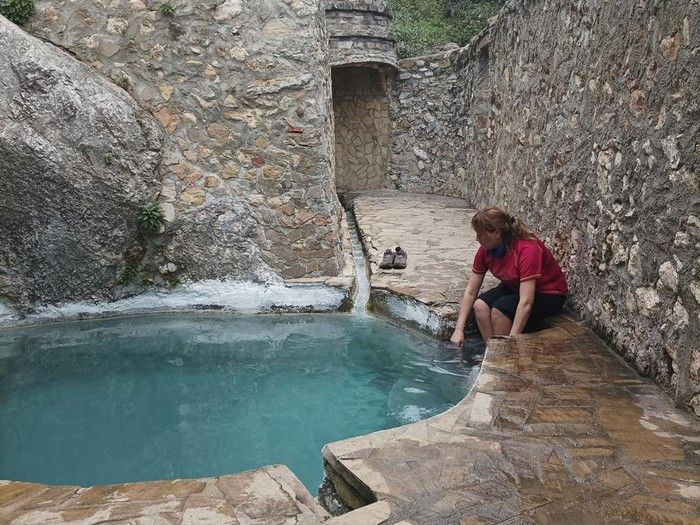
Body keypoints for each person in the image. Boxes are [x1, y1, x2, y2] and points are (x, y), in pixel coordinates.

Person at [450, 207, 568, 346]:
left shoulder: (528, 250)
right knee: (480, 305)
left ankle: (506, 352)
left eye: (480, 234)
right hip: (516, 286)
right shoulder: (486, 250)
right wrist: (459, 330)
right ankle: (491, 349)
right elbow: (471, 291)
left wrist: (513, 339)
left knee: (500, 310)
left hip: (549, 294)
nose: (477, 238)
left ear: (497, 233)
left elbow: (526, 302)